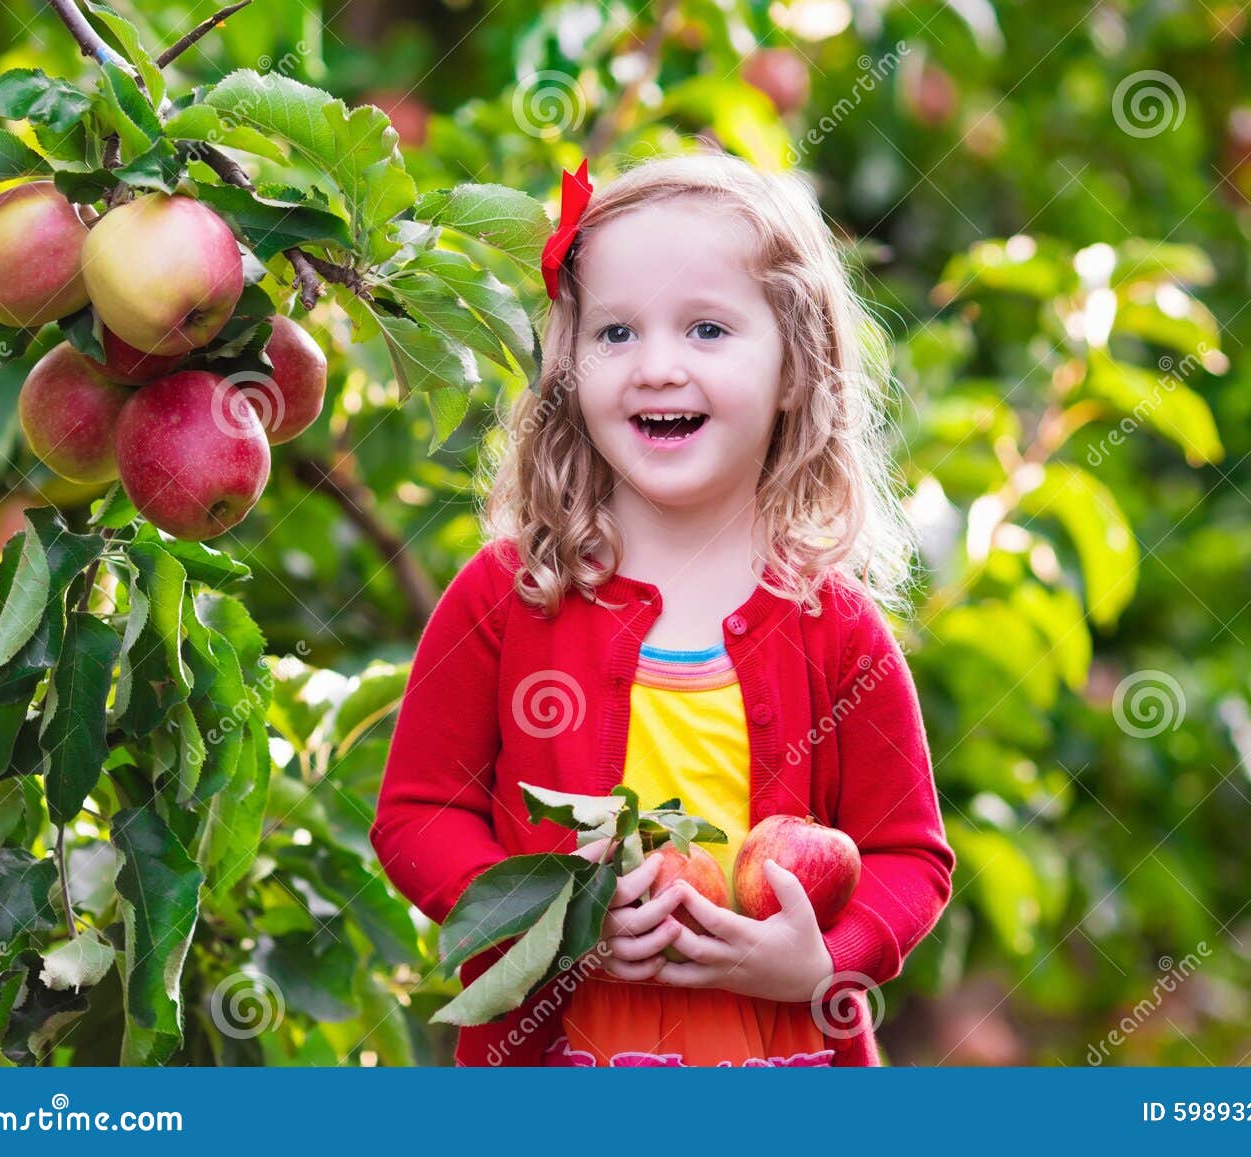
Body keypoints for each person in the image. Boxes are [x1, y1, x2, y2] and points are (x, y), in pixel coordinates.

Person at [371, 150, 954, 1067]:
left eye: (707, 329)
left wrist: (821, 961)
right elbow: (417, 814)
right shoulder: (511, 593)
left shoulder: (833, 626)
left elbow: (908, 856)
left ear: (796, 367)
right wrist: (556, 922)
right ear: (568, 366)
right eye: (614, 333)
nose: (655, 367)